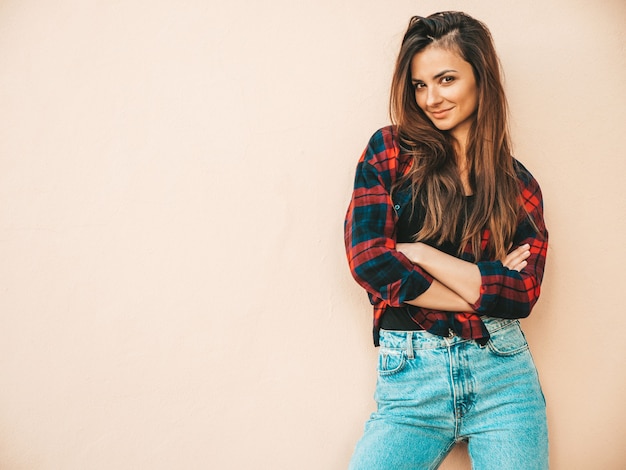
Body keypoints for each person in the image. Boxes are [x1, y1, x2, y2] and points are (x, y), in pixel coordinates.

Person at [344, 11, 549, 469]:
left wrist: (419, 253)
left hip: (504, 379)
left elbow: (523, 294)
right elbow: (369, 262)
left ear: (481, 78)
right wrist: (483, 286)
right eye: (420, 85)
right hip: (411, 381)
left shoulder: (517, 185)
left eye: (446, 79)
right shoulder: (390, 152)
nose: (431, 98)